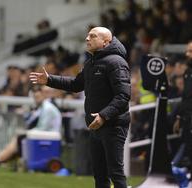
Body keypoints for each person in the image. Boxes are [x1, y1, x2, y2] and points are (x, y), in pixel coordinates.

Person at [29, 27, 131, 188]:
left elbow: (123, 96)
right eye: (88, 35)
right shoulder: (91, 62)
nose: (87, 38)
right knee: (99, 174)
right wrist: (49, 80)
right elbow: (76, 85)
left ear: (106, 42)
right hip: (95, 125)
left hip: (113, 124)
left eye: (93, 36)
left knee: (115, 173)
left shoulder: (116, 63)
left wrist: (103, 116)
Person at [0, 85, 62, 170]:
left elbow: (42, 128)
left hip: (50, 137)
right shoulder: (42, 107)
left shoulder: (47, 108)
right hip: (47, 135)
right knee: (20, 139)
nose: (36, 99)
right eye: (35, 97)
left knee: (20, 138)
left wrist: (27, 132)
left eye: (38, 96)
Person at [171, 41, 192, 188]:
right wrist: (179, 118)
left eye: (190, 51)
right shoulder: (188, 72)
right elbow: (186, 98)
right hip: (187, 121)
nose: (187, 54)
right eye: (187, 51)